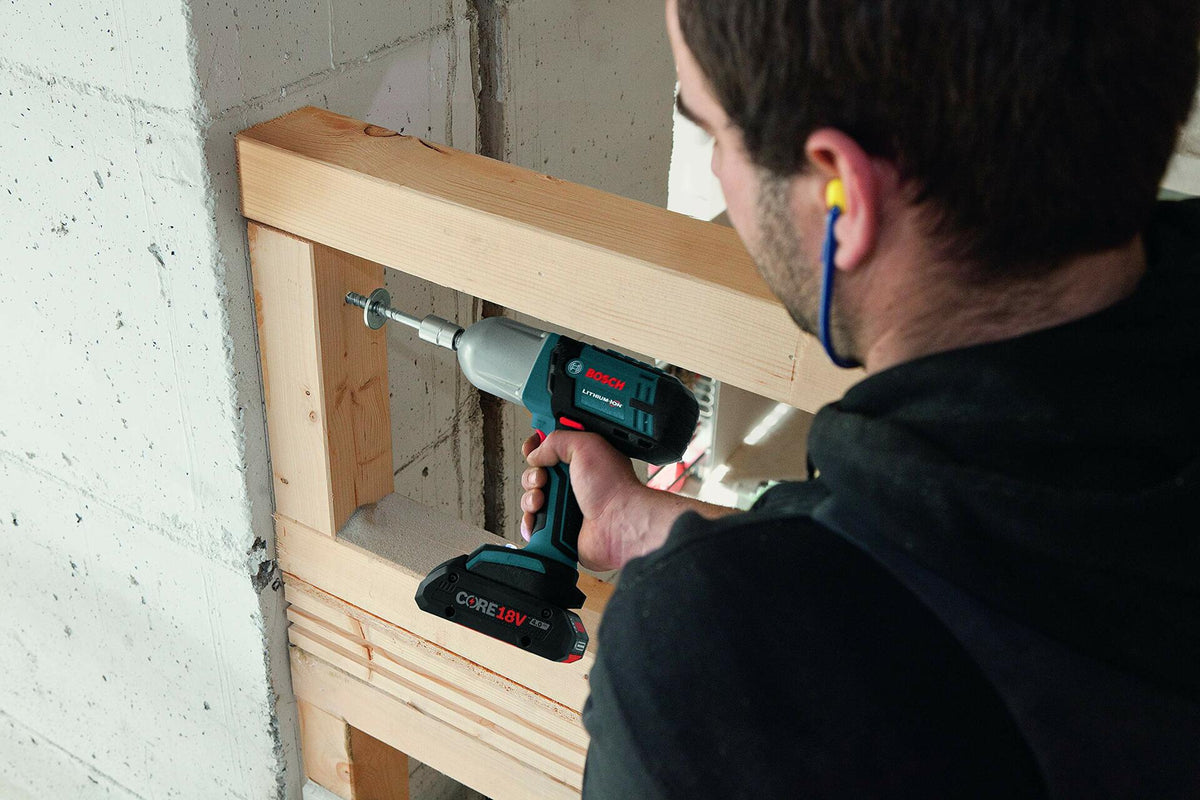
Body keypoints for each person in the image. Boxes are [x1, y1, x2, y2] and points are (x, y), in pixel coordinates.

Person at [520, 1, 1200, 796]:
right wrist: (673, 537)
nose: (713, 173)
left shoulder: (714, 669)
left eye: (712, 131)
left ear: (842, 193)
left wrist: (707, 600)